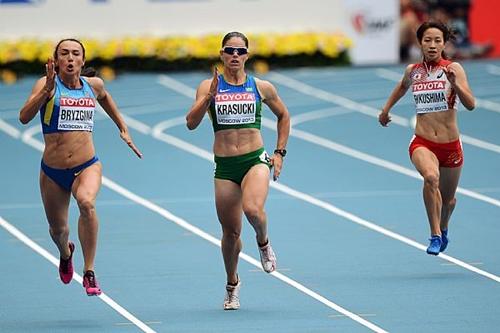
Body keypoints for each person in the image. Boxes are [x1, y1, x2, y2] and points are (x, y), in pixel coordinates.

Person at [19, 38, 142, 295]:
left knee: (86, 203)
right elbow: (23, 117)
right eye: (64, 54)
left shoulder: (93, 85)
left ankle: (89, 271)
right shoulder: (46, 86)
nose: (70, 58)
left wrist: (123, 127)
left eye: (76, 54)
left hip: (87, 165)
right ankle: (66, 253)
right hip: (53, 172)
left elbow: (105, 97)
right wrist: (46, 91)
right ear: (56, 61)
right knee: (58, 230)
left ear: (83, 61)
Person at [186, 32, 290, 310]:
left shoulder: (261, 86)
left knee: (253, 210)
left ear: (247, 55)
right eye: (229, 50)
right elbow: (191, 123)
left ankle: (264, 241)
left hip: (254, 160)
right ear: (221, 54)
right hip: (225, 167)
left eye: (240, 51)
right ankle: (232, 284)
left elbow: (284, 115)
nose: (234, 55)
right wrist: (208, 98)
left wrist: (279, 153)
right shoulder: (208, 86)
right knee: (230, 233)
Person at [379, 21, 475, 255]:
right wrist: (385, 110)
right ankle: (433, 234)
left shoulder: (454, 69)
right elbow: (402, 87)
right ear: (420, 43)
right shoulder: (413, 71)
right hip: (423, 142)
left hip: (450, 145)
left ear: (444, 43)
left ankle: (443, 228)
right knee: (431, 178)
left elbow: (471, 105)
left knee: (449, 201)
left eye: (437, 41)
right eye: (427, 40)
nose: (432, 45)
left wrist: (455, 86)